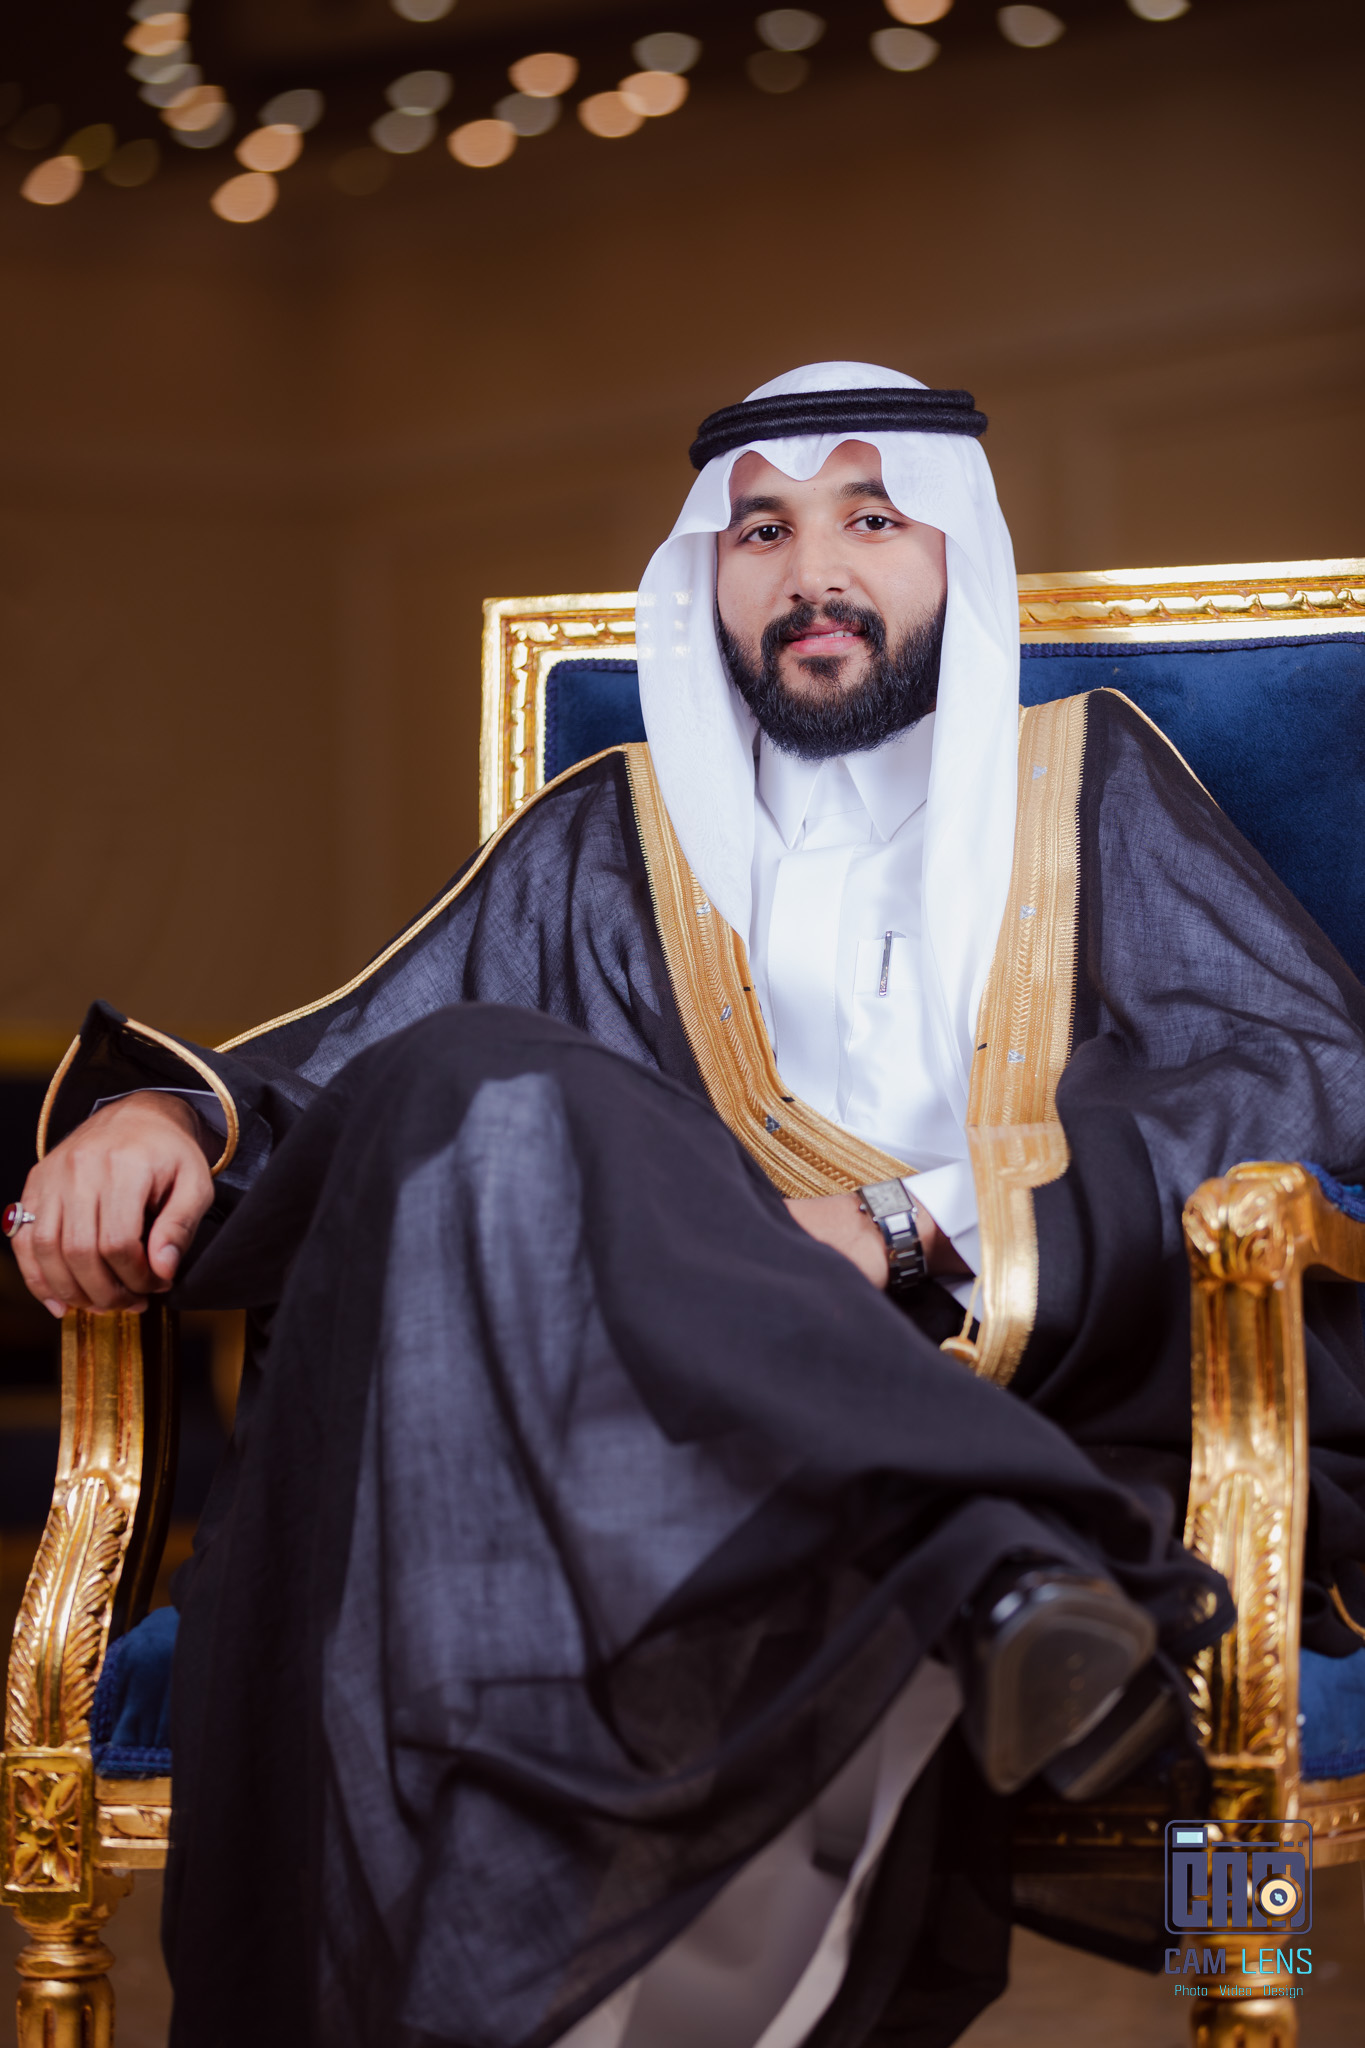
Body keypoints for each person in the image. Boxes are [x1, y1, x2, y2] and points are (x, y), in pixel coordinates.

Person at [8, 363, 1365, 2048]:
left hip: (1073, 1395)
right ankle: (987, 1559)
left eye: (872, 520)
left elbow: (1304, 1078)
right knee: (474, 1070)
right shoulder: (605, 839)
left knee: (580, 1341)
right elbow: (351, 1078)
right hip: (674, 1438)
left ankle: (969, 1546)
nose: (814, 572)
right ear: (705, 578)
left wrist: (903, 1225)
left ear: (954, 554)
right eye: (761, 533)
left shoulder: (1087, 783)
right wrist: (164, 1114)